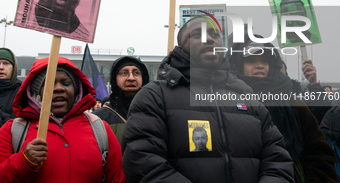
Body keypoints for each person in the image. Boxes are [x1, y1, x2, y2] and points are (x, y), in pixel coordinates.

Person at [121, 17, 294, 183]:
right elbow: (143, 164)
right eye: (197, 35)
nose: (209, 39)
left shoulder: (247, 98)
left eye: (215, 35)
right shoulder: (155, 96)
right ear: (180, 47)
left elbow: (278, 161)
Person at [227, 36, 338, 183]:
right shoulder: (225, 102)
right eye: (251, 60)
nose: (259, 65)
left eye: (264, 60)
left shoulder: (292, 102)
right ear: (238, 64)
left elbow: (317, 150)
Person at [0, 57, 125, 183]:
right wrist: (23, 162)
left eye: (66, 83)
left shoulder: (100, 128)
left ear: (76, 90)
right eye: (49, 83)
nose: (59, 88)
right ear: (36, 92)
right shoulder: (12, 131)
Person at [93, 56, 149, 145]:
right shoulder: (97, 119)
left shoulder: (156, 114)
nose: (131, 78)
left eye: (136, 73)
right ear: (114, 80)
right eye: (124, 73)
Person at [0, 48, 21, 127]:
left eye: (6, 63)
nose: (1, 67)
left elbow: (20, 121)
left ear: (14, 67)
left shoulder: (22, 92)